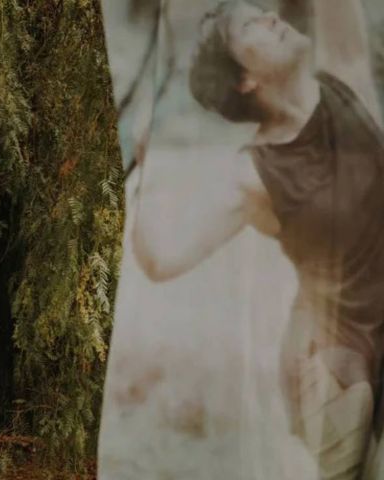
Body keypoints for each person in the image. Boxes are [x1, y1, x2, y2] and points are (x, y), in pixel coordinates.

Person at [131, 1, 384, 478]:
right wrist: (146, 173)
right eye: (251, 24)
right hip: (335, 371)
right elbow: (162, 261)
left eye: (265, 10)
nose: (272, 17)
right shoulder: (252, 174)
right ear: (245, 79)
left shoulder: (342, 74)